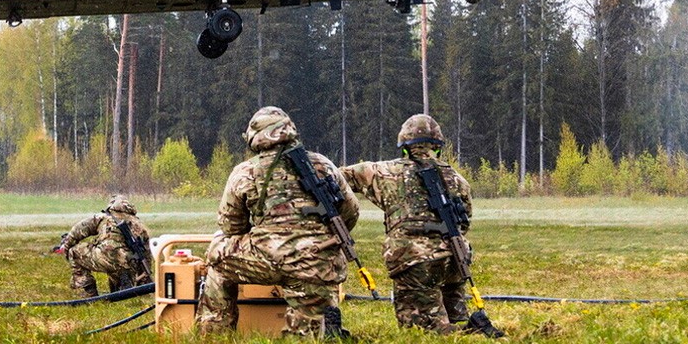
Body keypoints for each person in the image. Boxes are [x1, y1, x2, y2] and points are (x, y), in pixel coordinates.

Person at [196, 106, 359, 338]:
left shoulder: (245, 172)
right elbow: (350, 212)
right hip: (319, 262)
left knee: (217, 257)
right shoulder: (323, 165)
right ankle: (320, 323)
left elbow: (231, 226)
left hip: (267, 259)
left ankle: (215, 334)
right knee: (309, 330)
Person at [340, 114, 478, 334]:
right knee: (454, 315)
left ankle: (461, 331)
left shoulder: (383, 172)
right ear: (438, 147)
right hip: (456, 261)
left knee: (422, 330)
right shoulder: (458, 179)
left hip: (415, 262)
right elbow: (464, 222)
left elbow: (337, 177)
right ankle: (459, 321)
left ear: (404, 147)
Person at [56, 194, 152, 297]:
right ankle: (127, 286)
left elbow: (78, 230)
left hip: (107, 257)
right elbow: (146, 253)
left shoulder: (104, 217)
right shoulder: (138, 223)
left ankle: (88, 292)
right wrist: (144, 279)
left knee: (74, 252)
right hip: (130, 263)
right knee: (120, 290)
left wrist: (67, 248)